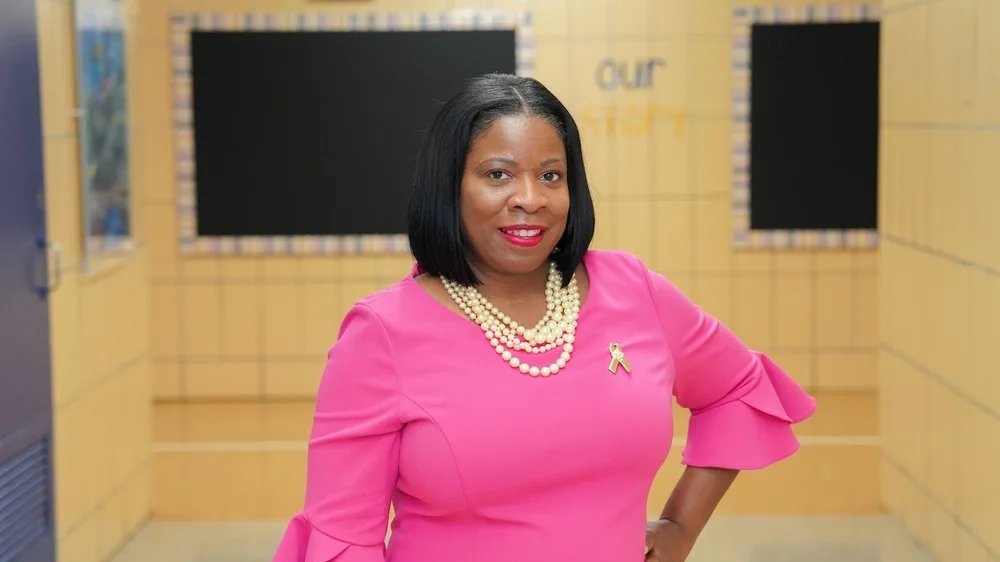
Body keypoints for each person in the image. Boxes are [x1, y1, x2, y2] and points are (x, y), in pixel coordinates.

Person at [273, 73, 817, 562]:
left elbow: (739, 388)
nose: (529, 198)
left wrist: (678, 527)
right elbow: (343, 540)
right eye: (498, 174)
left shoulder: (633, 290)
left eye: (551, 176)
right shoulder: (382, 334)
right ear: (448, 186)